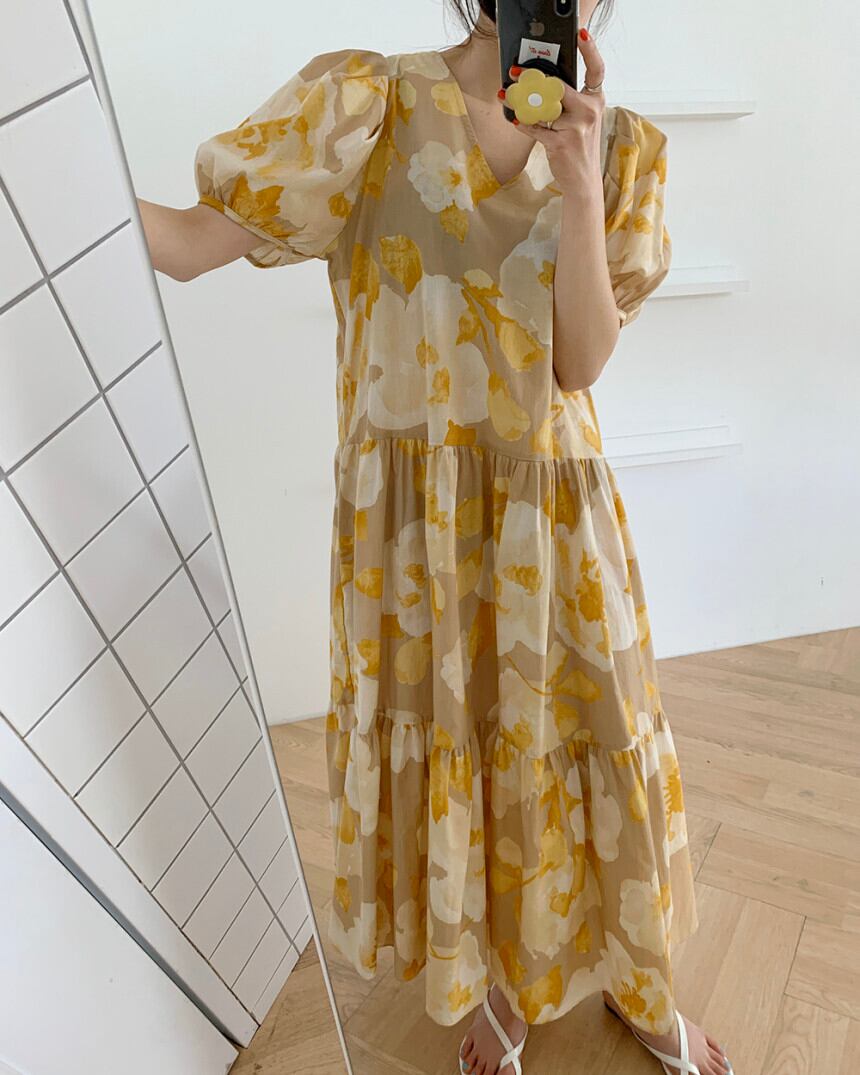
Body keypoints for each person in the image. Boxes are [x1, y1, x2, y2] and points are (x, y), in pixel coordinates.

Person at [140, 3, 735, 1073]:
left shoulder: (622, 147)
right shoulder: (365, 105)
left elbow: (580, 362)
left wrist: (580, 181)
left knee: (591, 733)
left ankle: (640, 982)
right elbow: (185, 247)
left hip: (553, 516)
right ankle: (505, 984)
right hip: (413, 540)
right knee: (470, 749)